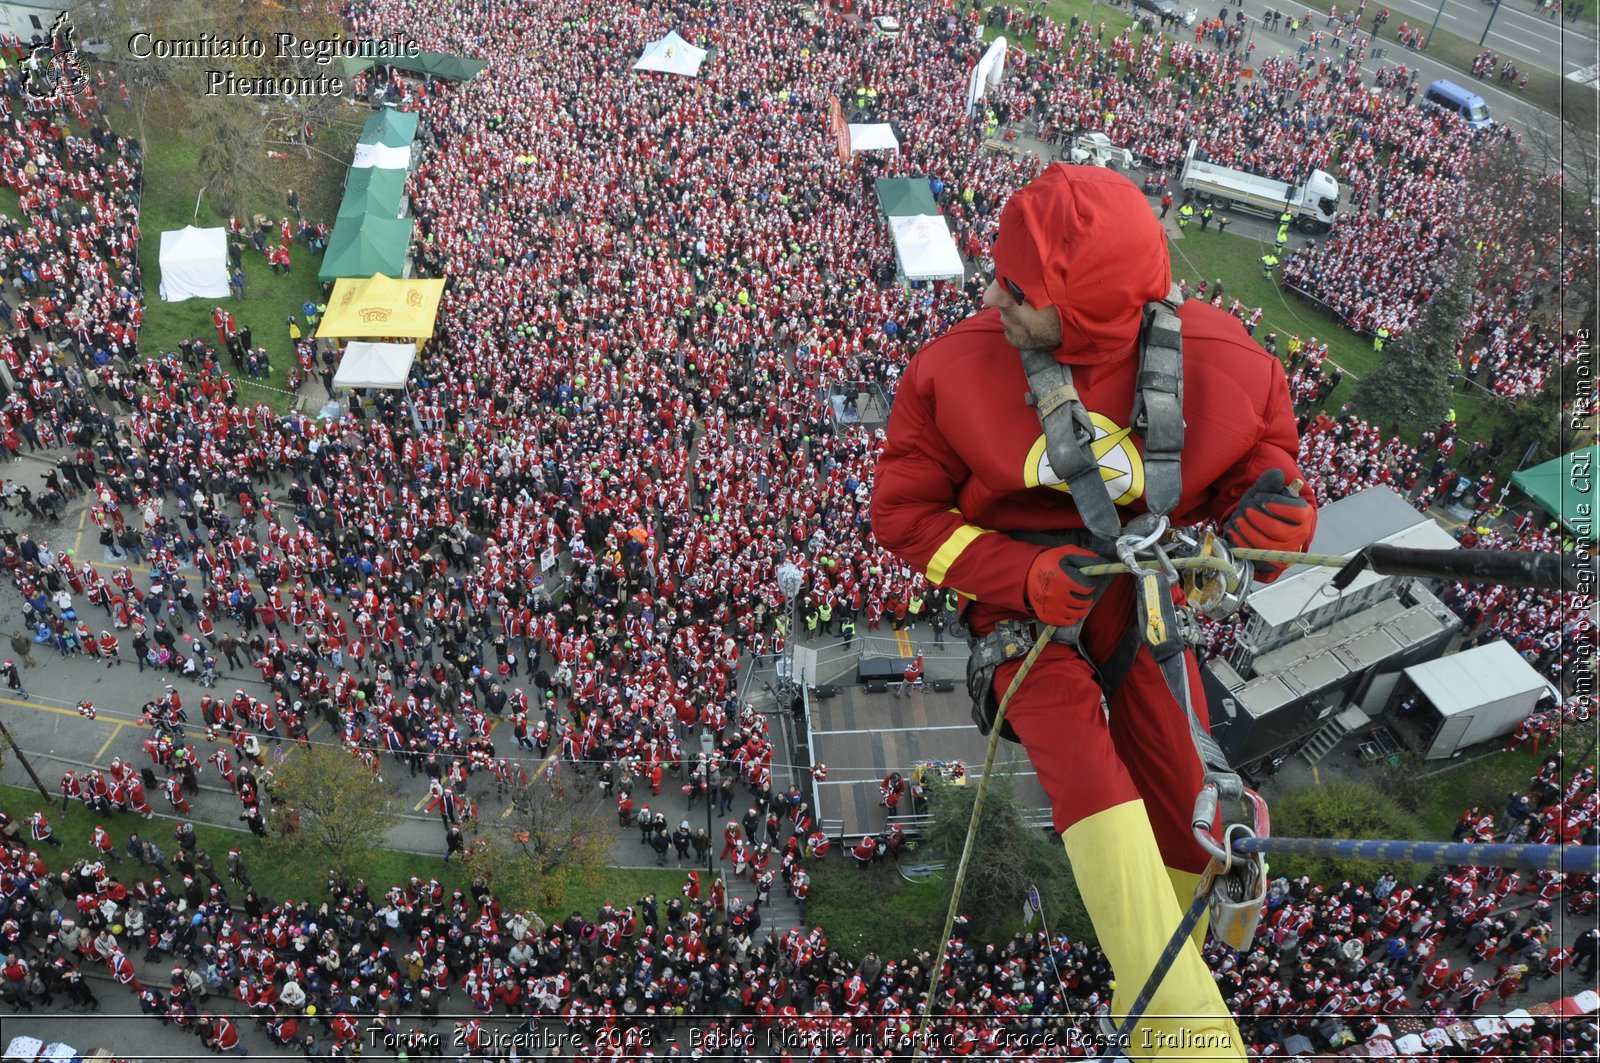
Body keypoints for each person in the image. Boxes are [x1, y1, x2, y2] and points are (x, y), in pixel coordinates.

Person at [872, 165, 1316, 1062]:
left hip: (1139, 599)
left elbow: (1265, 473)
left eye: (1019, 288)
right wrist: (1022, 573)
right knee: (1087, 777)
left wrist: (1277, 522)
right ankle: (1190, 1039)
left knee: (1189, 791)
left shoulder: (1226, 364)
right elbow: (904, 515)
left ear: (1087, 310)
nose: (990, 292)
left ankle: (1161, 975)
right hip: (1019, 617)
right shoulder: (952, 372)